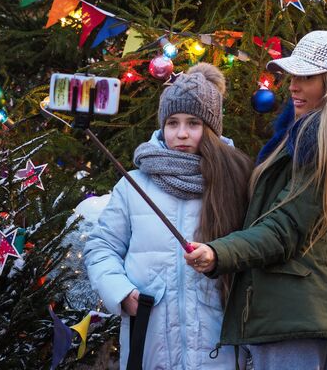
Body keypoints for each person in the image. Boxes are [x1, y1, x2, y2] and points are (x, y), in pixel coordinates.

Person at [185, 30, 327, 369]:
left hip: (294, 318)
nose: (293, 86)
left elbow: (284, 228)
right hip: (290, 314)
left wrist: (219, 253)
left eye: (306, 77)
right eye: (292, 76)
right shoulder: (304, 136)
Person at [84, 63, 252, 369]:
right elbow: (101, 248)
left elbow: (253, 251)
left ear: (212, 129)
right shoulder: (134, 184)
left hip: (217, 349)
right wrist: (122, 293)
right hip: (151, 343)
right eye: (172, 123)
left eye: (193, 123)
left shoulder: (236, 181)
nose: (182, 134)